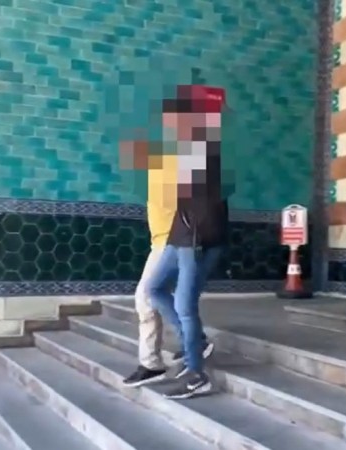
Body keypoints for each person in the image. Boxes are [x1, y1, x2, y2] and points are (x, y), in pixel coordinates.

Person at [120, 98, 215, 388]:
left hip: (174, 239)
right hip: (162, 240)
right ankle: (194, 341)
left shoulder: (192, 158)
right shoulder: (161, 158)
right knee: (154, 292)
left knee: (146, 296)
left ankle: (151, 363)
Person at [146, 84, 229, 399]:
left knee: (184, 304)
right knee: (154, 289)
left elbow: (209, 203)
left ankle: (196, 375)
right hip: (179, 235)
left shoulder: (205, 148)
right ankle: (195, 343)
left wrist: (195, 240)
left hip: (196, 240)